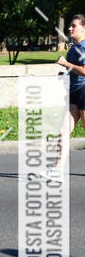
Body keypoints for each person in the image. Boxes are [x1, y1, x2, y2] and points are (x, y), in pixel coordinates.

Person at [55, 14, 85, 169]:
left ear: (84, 28)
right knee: (63, 130)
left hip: (84, 91)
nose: (70, 28)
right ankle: (57, 170)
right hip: (73, 93)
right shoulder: (73, 48)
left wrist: (66, 64)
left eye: (74, 26)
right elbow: (74, 70)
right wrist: (65, 74)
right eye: (70, 25)